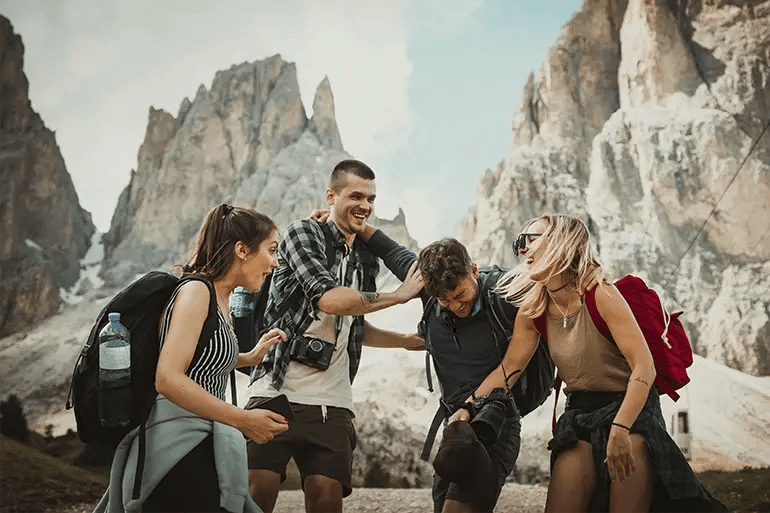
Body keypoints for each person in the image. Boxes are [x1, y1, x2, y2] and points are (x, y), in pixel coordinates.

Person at [473, 214, 727, 512]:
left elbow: (644, 366)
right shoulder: (533, 308)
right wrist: (468, 407)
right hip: (580, 413)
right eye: (519, 242)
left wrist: (621, 428)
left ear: (561, 242)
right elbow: (509, 368)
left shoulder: (601, 293)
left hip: (630, 411)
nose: (523, 249)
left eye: (532, 239)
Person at [246, 159, 424, 513]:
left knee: (327, 501)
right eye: (356, 196)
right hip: (276, 390)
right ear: (331, 195)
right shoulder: (302, 234)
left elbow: (355, 324)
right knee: (254, 497)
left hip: (333, 402)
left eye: (371, 199)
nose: (366, 205)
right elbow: (328, 299)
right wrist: (398, 296)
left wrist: (403, 341)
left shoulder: (365, 258)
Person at [96, 204, 291, 513]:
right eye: (271, 250)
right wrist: (243, 420)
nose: (276, 262)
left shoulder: (220, 299)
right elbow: (168, 378)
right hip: (177, 444)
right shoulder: (197, 291)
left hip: (202, 437)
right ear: (242, 249)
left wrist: (249, 356)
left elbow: (200, 358)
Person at [360, 226, 528, 513]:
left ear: (473, 270)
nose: (455, 306)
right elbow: (390, 250)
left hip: (494, 421)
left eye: (460, 294)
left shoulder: (503, 293)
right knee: (443, 506)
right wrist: (347, 220)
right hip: (457, 426)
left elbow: (513, 363)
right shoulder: (428, 289)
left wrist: (470, 404)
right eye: (444, 301)